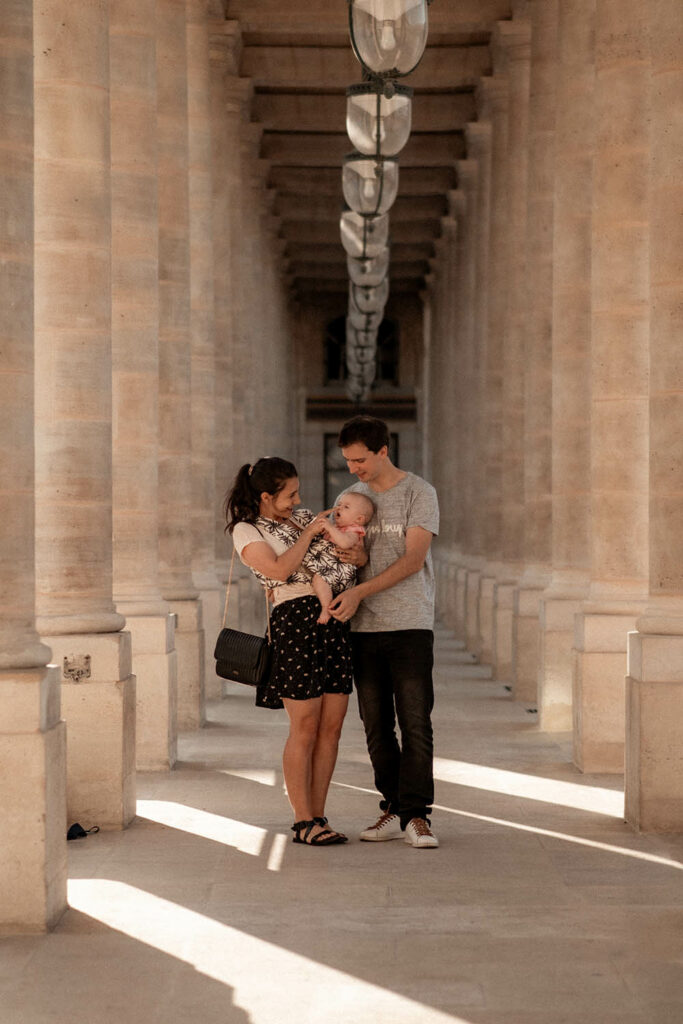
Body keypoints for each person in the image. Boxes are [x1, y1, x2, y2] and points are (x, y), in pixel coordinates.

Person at [225, 457, 356, 846]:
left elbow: (343, 555)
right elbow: (280, 570)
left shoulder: (300, 518)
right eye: (290, 494)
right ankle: (302, 821)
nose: (298, 500)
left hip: (333, 618)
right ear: (265, 496)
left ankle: (319, 816)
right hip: (294, 620)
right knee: (305, 724)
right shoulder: (246, 530)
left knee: (332, 725)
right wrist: (308, 532)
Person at [328, 416, 440, 849]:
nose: (353, 469)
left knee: (416, 722)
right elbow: (348, 559)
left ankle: (418, 816)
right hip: (362, 630)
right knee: (375, 725)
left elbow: (414, 559)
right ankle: (392, 808)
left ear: (382, 451)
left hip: (410, 622)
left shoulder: (419, 492)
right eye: (348, 461)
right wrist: (351, 559)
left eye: (360, 460)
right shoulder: (348, 498)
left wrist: (361, 593)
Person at [310, 491, 375, 624]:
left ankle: (325, 608)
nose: (339, 508)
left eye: (346, 507)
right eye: (339, 505)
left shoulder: (354, 530)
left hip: (343, 569)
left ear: (359, 519)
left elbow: (345, 543)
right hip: (331, 567)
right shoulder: (337, 528)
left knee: (320, 579)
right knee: (317, 579)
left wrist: (329, 528)